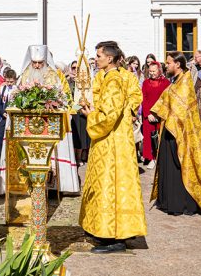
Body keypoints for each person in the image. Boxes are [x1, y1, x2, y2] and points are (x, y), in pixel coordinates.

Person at [79, 41, 146, 253]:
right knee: (105, 184)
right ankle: (104, 230)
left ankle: (117, 237)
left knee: (113, 183)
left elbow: (109, 115)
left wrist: (91, 116)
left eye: (99, 55)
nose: (96, 58)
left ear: (109, 58)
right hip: (109, 139)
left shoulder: (115, 79)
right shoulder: (107, 77)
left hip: (113, 140)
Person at [0, 45, 80, 197]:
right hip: (28, 124)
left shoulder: (55, 75)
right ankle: (24, 183)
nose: (36, 65)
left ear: (45, 61)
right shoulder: (24, 74)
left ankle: (54, 186)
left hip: (50, 122)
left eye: (40, 62)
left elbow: (63, 97)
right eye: (34, 62)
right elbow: (16, 96)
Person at [149, 52, 201, 216]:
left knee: (179, 167)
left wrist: (166, 115)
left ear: (177, 64)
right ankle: (167, 200)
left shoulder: (186, 83)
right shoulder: (176, 81)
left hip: (180, 134)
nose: (166, 66)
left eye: (169, 63)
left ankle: (179, 203)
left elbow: (180, 111)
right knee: (169, 166)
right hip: (170, 132)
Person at [140, 61, 169, 168]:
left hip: (161, 114)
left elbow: (167, 99)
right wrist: (148, 114)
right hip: (149, 115)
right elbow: (144, 99)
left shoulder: (166, 83)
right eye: (150, 71)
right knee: (149, 137)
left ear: (159, 70)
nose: (151, 73)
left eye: (154, 71)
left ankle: (160, 158)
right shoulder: (146, 83)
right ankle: (151, 158)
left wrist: (160, 114)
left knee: (161, 137)